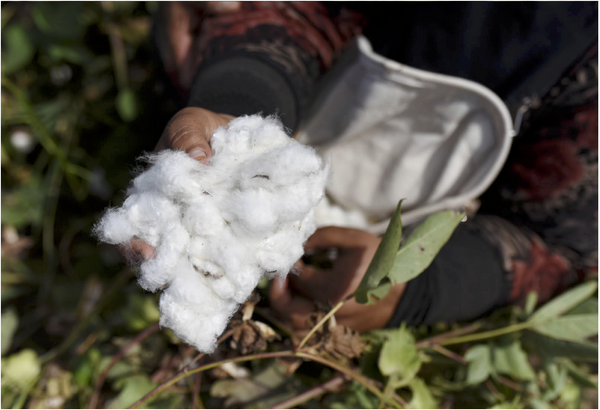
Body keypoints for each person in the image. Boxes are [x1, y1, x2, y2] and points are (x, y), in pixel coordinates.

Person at [133, 2, 598, 334]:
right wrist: (236, 118)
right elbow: (292, 13)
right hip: (245, 98)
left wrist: (415, 290)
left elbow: (562, 247)